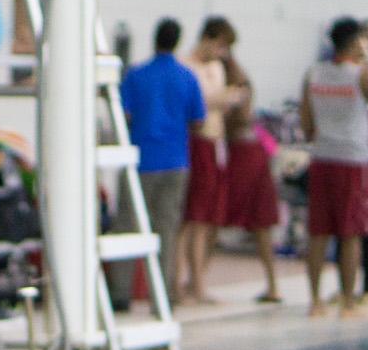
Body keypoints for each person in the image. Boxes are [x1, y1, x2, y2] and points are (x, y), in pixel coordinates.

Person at [300, 17, 368, 318]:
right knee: (350, 233)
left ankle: (315, 301)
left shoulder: (313, 74)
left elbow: (306, 124)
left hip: (322, 157)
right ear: (354, 44)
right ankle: (349, 301)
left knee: (318, 232)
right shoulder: (362, 75)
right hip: (352, 160)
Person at [117, 18, 206, 310]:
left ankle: (120, 294)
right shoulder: (187, 77)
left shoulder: (136, 75)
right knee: (167, 230)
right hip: (175, 160)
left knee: (128, 227)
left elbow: (124, 115)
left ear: (154, 39)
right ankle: (164, 295)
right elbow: (198, 120)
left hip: (140, 161)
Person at [179, 17, 244, 305]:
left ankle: (198, 280)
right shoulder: (186, 66)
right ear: (207, 39)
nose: (222, 54)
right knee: (192, 219)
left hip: (216, 144)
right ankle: (181, 282)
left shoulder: (218, 68)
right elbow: (196, 107)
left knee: (209, 219)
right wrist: (222, 99)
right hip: (197, 144)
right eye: (220, 46)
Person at [220, 51, 282, 304]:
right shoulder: (241, 81)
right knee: (260, 223)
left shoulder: (234, 86)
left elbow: (240, 119)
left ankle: (194, 283)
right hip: (251, 152)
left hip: (242, 154)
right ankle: (273, 284)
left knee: (210, 217)